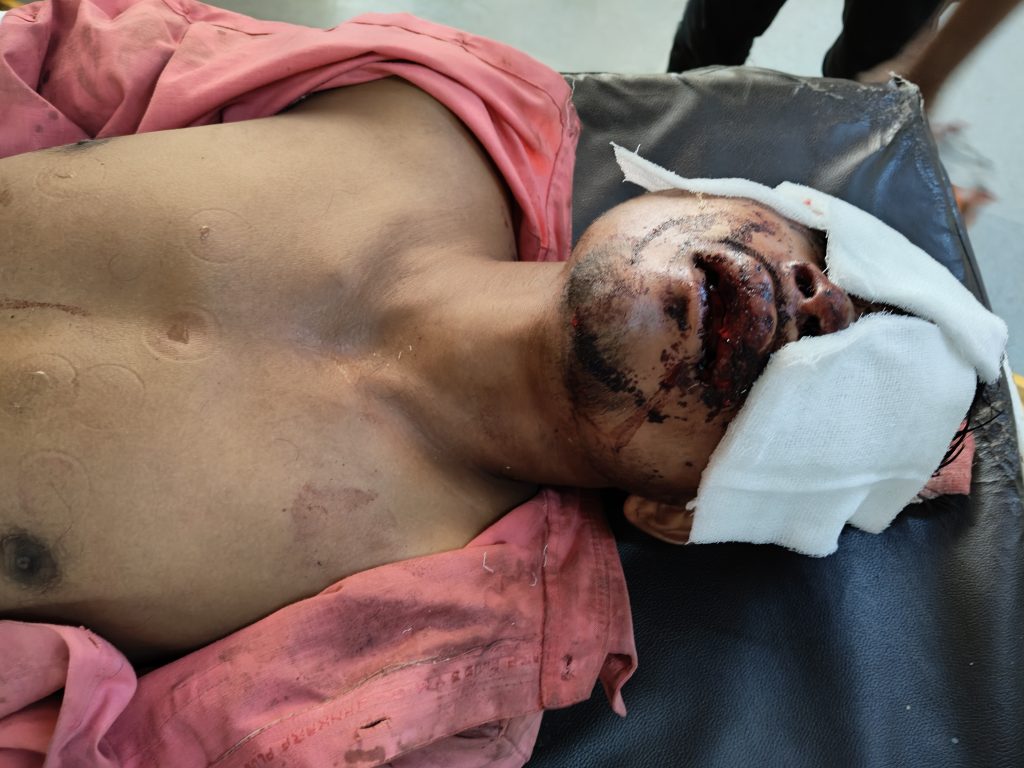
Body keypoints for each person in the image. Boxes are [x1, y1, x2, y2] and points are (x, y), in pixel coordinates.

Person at [0, 1, 1005, 765]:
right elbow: (64, 53)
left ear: (672, 512)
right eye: (826, 256)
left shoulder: (420, 678)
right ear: (695, 193)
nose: (817, 305)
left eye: (813, 392)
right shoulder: (442, 99)